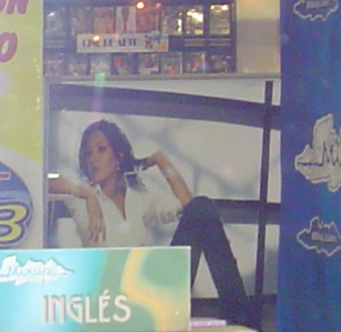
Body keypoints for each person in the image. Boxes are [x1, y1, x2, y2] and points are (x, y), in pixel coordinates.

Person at [49, 119, 252, 327]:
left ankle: (239, 315)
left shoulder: (138, 197)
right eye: (88, 153)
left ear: (118, 156)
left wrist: (161, 161)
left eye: (101, 149)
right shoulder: (78, 195)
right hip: (106, 303)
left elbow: (189, 206)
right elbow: (46, 178)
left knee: (202, 207)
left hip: (146, 295)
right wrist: (88, 195)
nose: (93, 159)